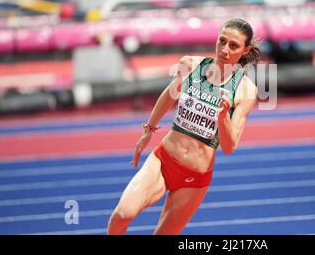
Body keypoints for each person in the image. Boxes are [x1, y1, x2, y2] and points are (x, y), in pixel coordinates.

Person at [107, 18, 260, 235]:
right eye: (222, 41)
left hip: (195, 179)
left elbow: (229, 146)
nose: (225, 50)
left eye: (233, 45)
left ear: (246, 50)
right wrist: (148, 130)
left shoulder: (245, 90)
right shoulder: (191, 64)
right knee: (121, 216)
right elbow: (168, 96)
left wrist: (224, 116)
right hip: (164, 160)